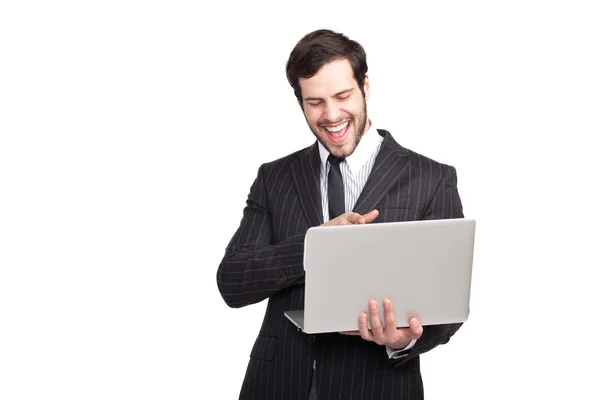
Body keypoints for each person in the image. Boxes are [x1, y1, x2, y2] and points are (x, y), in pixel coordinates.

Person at [216, 29, 465, 400]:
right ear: (299, 101)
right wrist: (313, 245)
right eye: (315, 102)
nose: (331, 116)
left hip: (378, 385)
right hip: (276, 383)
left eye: (342, 96)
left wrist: (402, 340)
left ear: (365, 86)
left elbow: (449, 306)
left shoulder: (431, 178)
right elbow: (233, 283)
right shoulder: (275, 177)